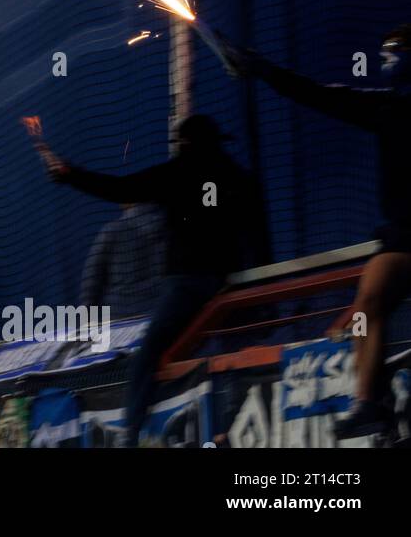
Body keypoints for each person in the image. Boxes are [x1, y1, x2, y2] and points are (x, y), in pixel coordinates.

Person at [37, 114, 268, 446]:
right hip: (225, 284)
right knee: (235, 350)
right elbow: (257, 237)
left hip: (186, 284)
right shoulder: (238, 177)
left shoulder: (177, 173)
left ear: (184, 144)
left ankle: (131, 431)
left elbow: (120, 188)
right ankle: (232, 425)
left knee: (148, 355)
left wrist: (70, 174)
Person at [226, 25, 411, 438]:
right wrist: (261, 69)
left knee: (371, 296)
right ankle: (370, 403)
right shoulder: (386, 108)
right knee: (367, 304)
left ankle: (371, 403)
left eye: (393, 50)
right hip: (401, 236)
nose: (384, 59)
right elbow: (316, 94)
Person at [81, 203, 167, 319]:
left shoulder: (112, 231)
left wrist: (85, 323)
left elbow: (90, 286)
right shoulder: (173, 230)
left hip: (119, 322)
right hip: (163, 317)